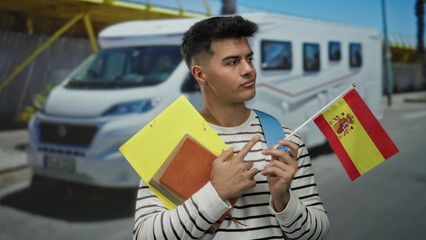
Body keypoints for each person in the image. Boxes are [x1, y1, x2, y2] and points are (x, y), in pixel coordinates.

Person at [133, 15, 330, 239]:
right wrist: (217, 193)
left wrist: (284, 200)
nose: (249, 70)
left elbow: (316, 234)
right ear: (200, 74)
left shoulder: (286, 142)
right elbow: (144, 236)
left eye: (250, 59)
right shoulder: (168, 141)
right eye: (233, 62)